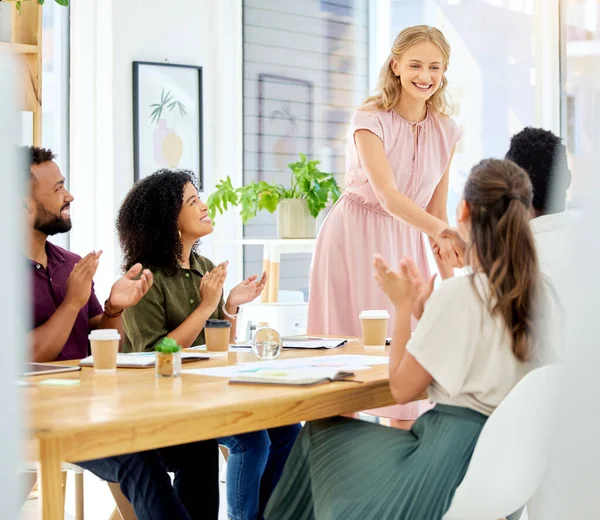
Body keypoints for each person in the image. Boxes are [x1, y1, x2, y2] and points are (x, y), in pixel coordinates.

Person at [265, 159, 555, 520]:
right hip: (504, 469)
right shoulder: (541, 292)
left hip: (443, 466)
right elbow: (483, 342)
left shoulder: (462, 294)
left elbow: (402, 389)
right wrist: (426, 311)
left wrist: (402, 309)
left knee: (319, 437)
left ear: (463, 210)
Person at [25, 146, 219, 520]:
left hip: (95, 407)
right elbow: (26, 358)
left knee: (199, 442)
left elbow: (98, 335)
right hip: (43, 418)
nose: (70, 196)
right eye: (58, 189)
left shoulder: (69, 263)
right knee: (136, 455)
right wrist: (72, 303)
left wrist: (115, 307)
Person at [117, 169, 302, 520]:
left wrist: (230, 305)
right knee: (252, 440)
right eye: (193, 201)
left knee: (288, 427)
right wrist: (206, 307)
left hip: (206, 395)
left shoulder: (205, 267)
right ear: (169, 221)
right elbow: (155, 356)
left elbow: (219, 346)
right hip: (159, 407)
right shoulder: (145, 279)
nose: (204, 206)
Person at [307, 24, 462, 425]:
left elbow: (437, 213)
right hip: (354, 235)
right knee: (347, 369)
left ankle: (400, 480)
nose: (424, 76)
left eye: (434, 66)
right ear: (395, 65)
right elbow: (389, 195)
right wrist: (440, 230)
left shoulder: (447, 131)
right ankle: (342, 476)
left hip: (410, 240)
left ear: (444, 71)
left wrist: (459, 288)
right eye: (415, 65)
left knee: (408, 369)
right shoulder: (369, 119)